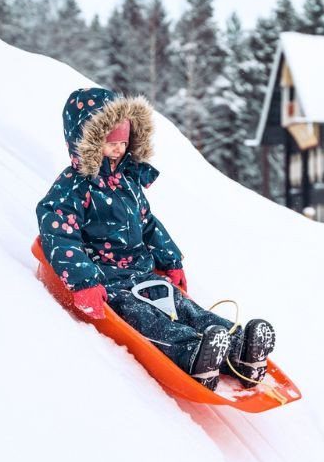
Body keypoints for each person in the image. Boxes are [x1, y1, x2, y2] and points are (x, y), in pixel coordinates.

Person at [36, 87, 275, 391]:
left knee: (185, 308)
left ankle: (240, 349)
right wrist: (84, 282)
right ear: (86, 141)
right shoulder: (73, 187)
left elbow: (148, 224)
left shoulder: (129, 182)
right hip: (108, 280)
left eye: (123, 142)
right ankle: (192, 354)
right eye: (110, 143)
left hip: (143, 272)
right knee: (146, 318)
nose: (119, 150)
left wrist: (170, 260)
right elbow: (59, 234)